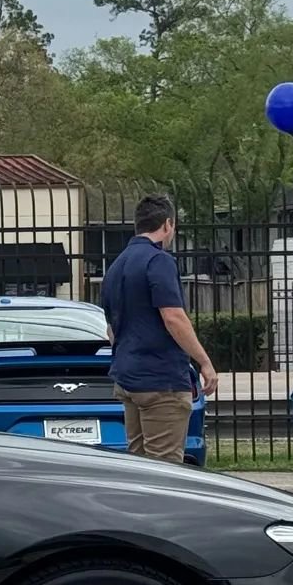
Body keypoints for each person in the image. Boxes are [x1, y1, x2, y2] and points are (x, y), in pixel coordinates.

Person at [101, 194, 217, 464]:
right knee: (165, 469)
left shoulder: (116, 266)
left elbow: (111, 329)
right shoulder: (159, 260)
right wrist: (204, 362)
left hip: (128, 378)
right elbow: (173, 317)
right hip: (160, 381)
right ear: (167, 224)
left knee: (139, 465)